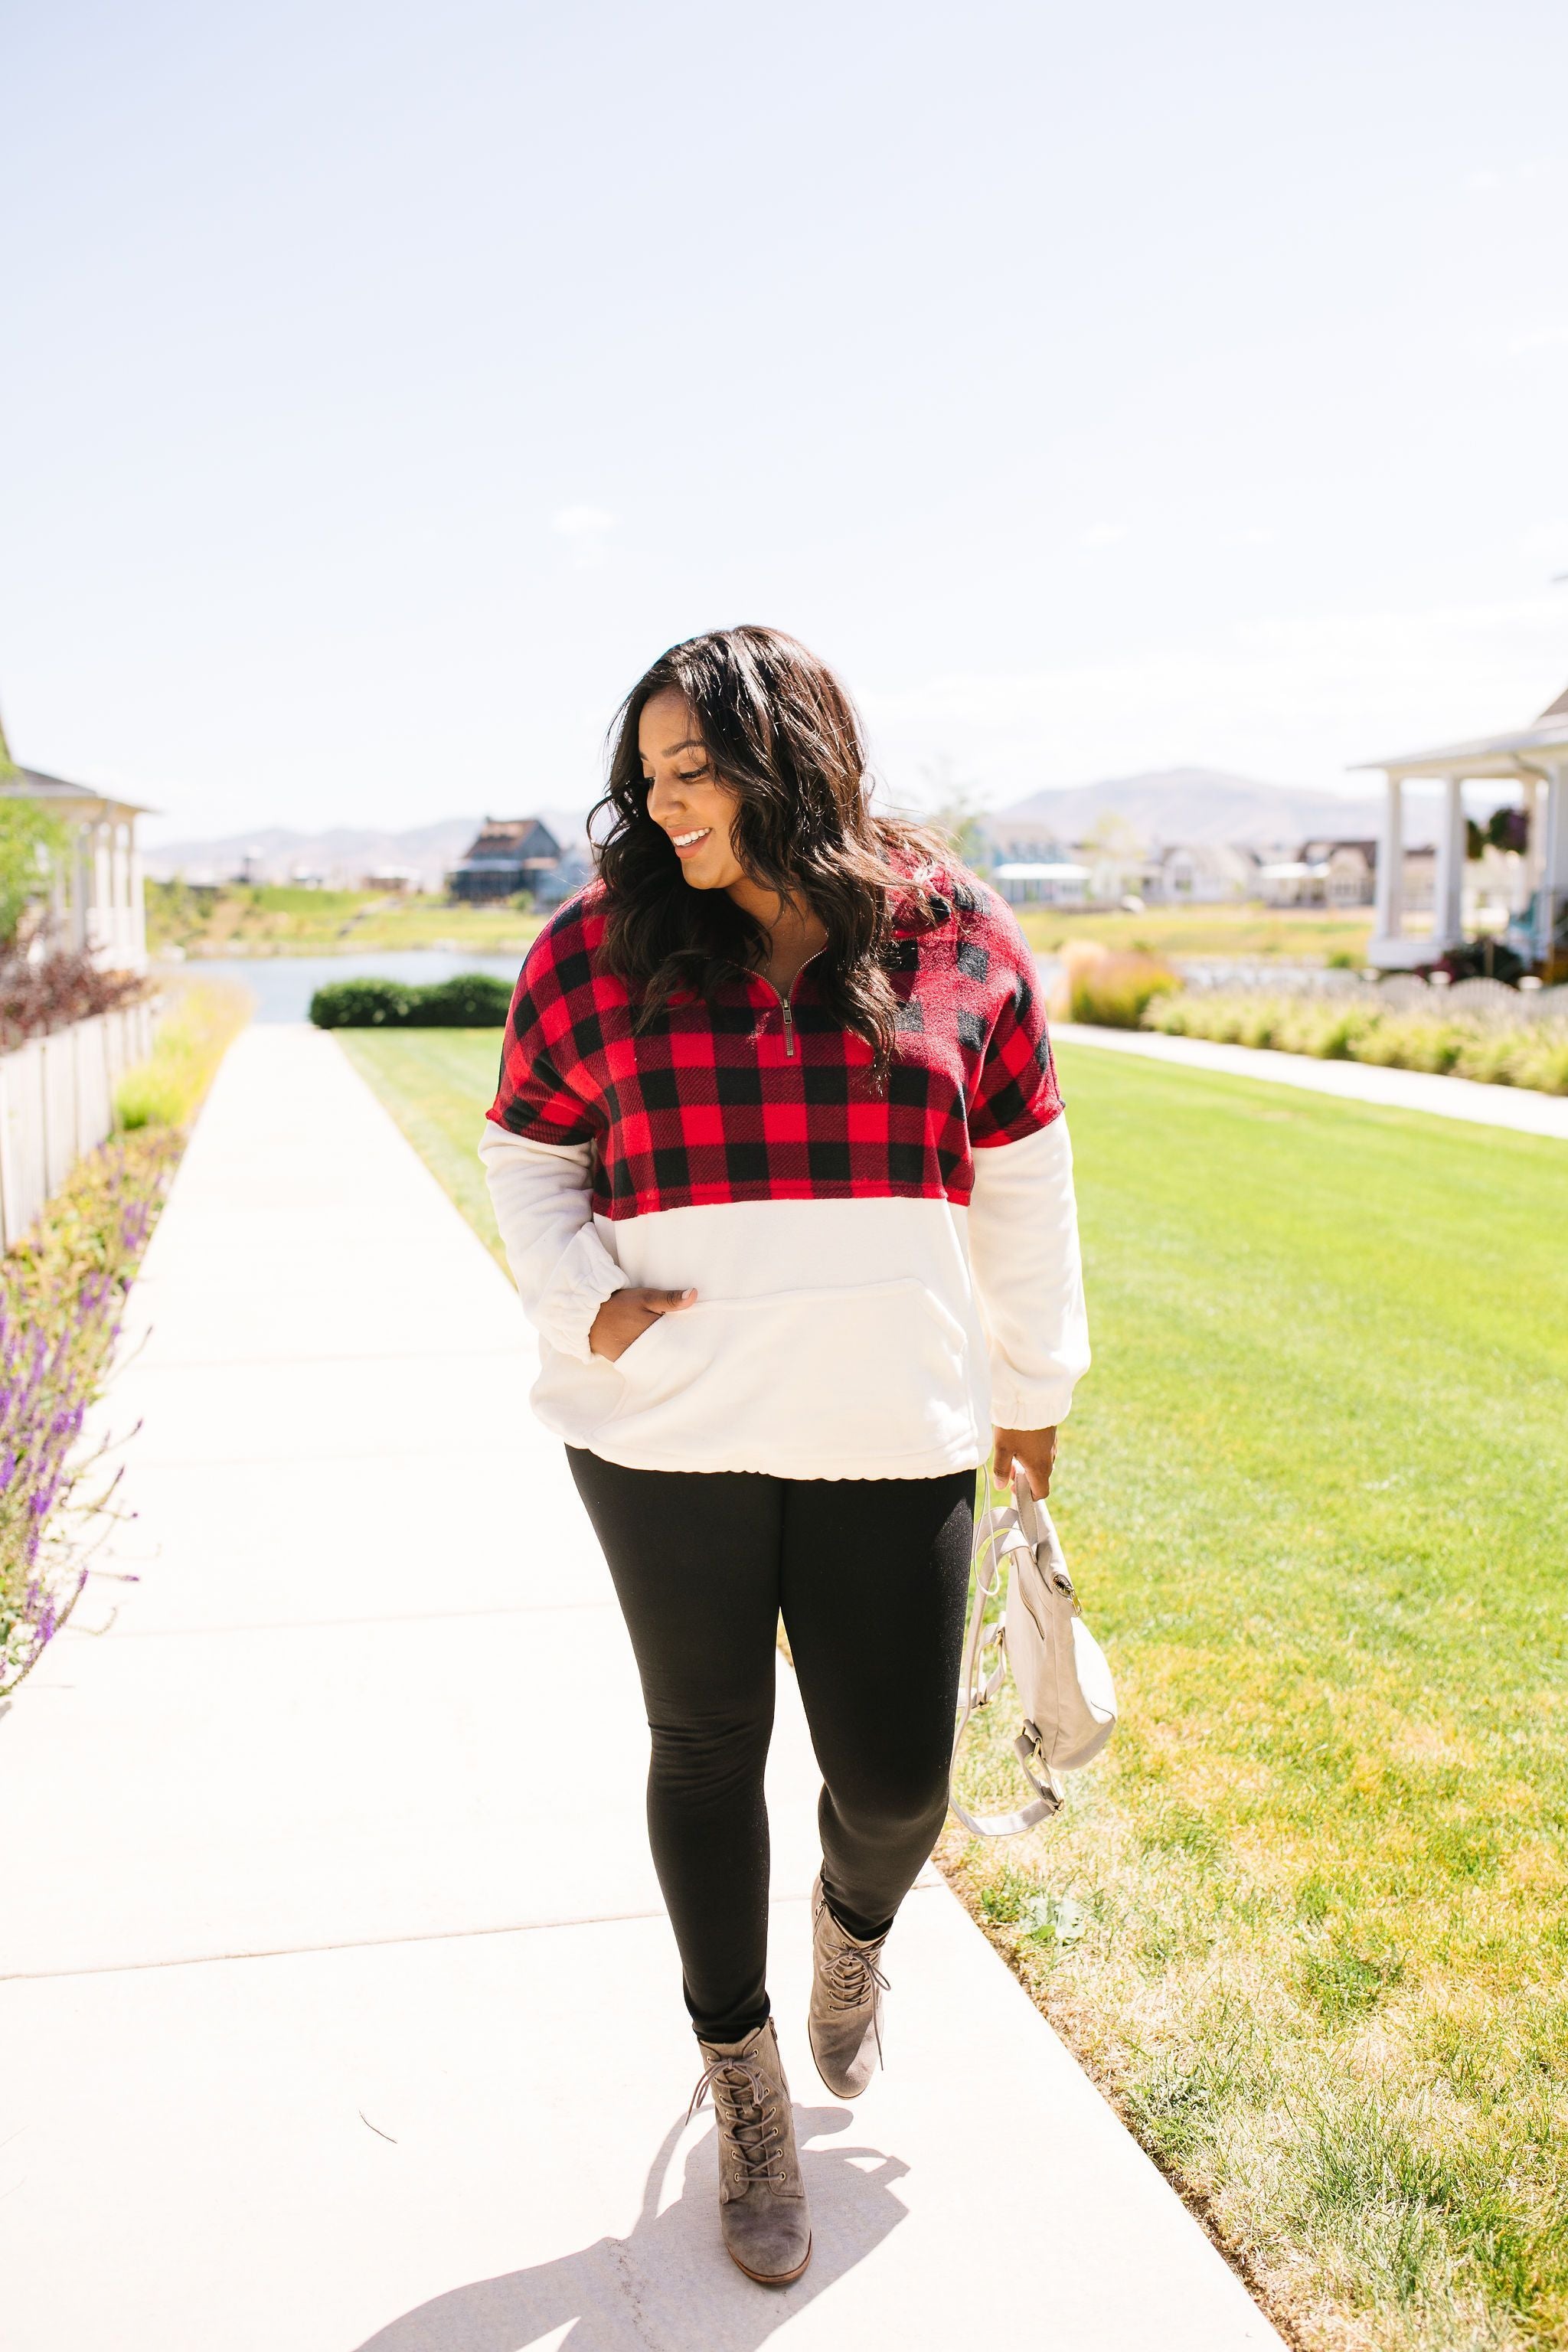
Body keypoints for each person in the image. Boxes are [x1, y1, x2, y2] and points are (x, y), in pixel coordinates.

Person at [480, 625, 1088, 2287]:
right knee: (703, 1744)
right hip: (662, 1432)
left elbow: (1026, 1171)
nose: (668, 808)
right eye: (650, 776)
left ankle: (853, 1937)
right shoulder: (593, 947)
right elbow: (528, 1158)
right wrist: (580, 1297)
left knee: (896, 1785)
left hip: (893, 1421)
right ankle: (741, 2083)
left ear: (794, 760)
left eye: (700, 771)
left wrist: (1035, 1383)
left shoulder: (955, 924)